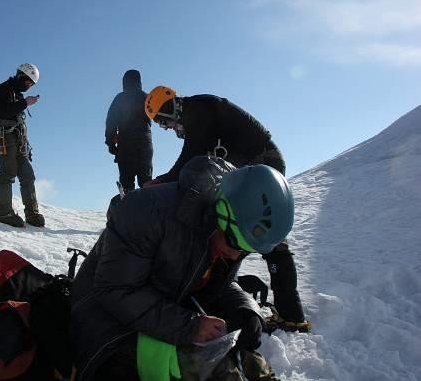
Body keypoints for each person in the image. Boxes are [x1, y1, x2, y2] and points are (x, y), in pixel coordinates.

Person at [70, 156, 295, 381]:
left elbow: (220, 281)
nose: (236, 255)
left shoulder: (229, 227)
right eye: (237, 243)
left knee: (248, 364)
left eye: (247, 250)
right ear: (222, 211)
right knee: (213, 371)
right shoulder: (144, 211)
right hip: (107, 324)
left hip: (165, 313)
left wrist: (244, 309)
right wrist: (189, 326)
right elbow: (114, 289)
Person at [143, 85, 309, 328]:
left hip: (262, 165)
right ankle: (289, 312)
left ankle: (289, 314)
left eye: (163, 122)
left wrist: (161, 181)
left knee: (252, 232)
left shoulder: (196, 109)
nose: (167, 128)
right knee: (244, 232)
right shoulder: (199, 110)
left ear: (167, 110)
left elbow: (192, 155)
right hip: (257, 166)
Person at [0, 63, 45, 228]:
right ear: (22, 77)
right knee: (8, 173)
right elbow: (2, 112)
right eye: (28, 83)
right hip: (5, 135)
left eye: (31, 84)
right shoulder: (3, 89)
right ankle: (3, 213)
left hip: (17, 137)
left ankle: (32, 213)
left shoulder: (18, 95)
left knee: (27, 174)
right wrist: (26, 103)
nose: (28, 87)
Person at [105, 69, 153, 192]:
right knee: (146, 181)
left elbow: (111, 121)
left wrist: (110, 143)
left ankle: (127, 208)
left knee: (126, 184)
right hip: (145, 142)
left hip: (126, 144)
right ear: (139, 82)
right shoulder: (147, 98)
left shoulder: (120, 99)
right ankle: (148, 209)